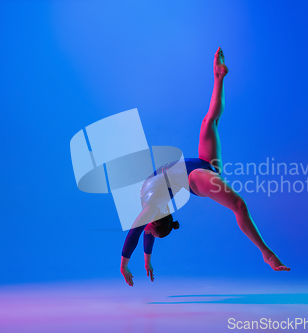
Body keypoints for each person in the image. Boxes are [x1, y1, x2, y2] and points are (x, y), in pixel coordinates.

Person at [120, 47, 290, 287]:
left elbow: (139, 233)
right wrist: (144, 260)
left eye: (152, 231)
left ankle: (219, 76)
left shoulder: (151, 210)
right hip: (196, 175)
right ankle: (267, 253)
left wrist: (128, 263)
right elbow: (144, 233)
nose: (149, 231)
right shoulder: (152, 209)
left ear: (155, 222)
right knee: (238, 205)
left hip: (200, 167)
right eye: (153, 231)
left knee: (210, 120)